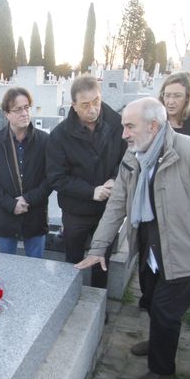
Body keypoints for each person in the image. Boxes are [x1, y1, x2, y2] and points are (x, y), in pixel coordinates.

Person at [76, 98, 190, 379]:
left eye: (129, 126)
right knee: (150, 298)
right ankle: (159, 339)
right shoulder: (133, 155)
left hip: (186, 248)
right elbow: (117, 205)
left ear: (152, 126)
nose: (123, 133)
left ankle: (163, 371)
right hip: (151, 243)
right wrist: (98, 248)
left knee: (166, 309)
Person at [47, 74, 126, 288]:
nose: (93, 109)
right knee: (73, 259)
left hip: (107, 208)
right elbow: (56, 178)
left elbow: (128, 158)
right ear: (73, 105)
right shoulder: (59, 135)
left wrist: (114, 179)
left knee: (102, 259)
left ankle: (98, 302)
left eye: (96, 102)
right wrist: (91, 191)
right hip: (76, 211)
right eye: (85, 105)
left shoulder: (117, 123)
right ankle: (71, 296)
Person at [0, 87, 51, 258]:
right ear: (6, 114)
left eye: (27, 107)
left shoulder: (44, 140)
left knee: (35, 267)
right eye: (18, 109)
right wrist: (11, 204)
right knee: (7, 267)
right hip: (6, 216)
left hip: (35, 215)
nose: (24, 113)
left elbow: (51, 178)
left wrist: (28, 198)